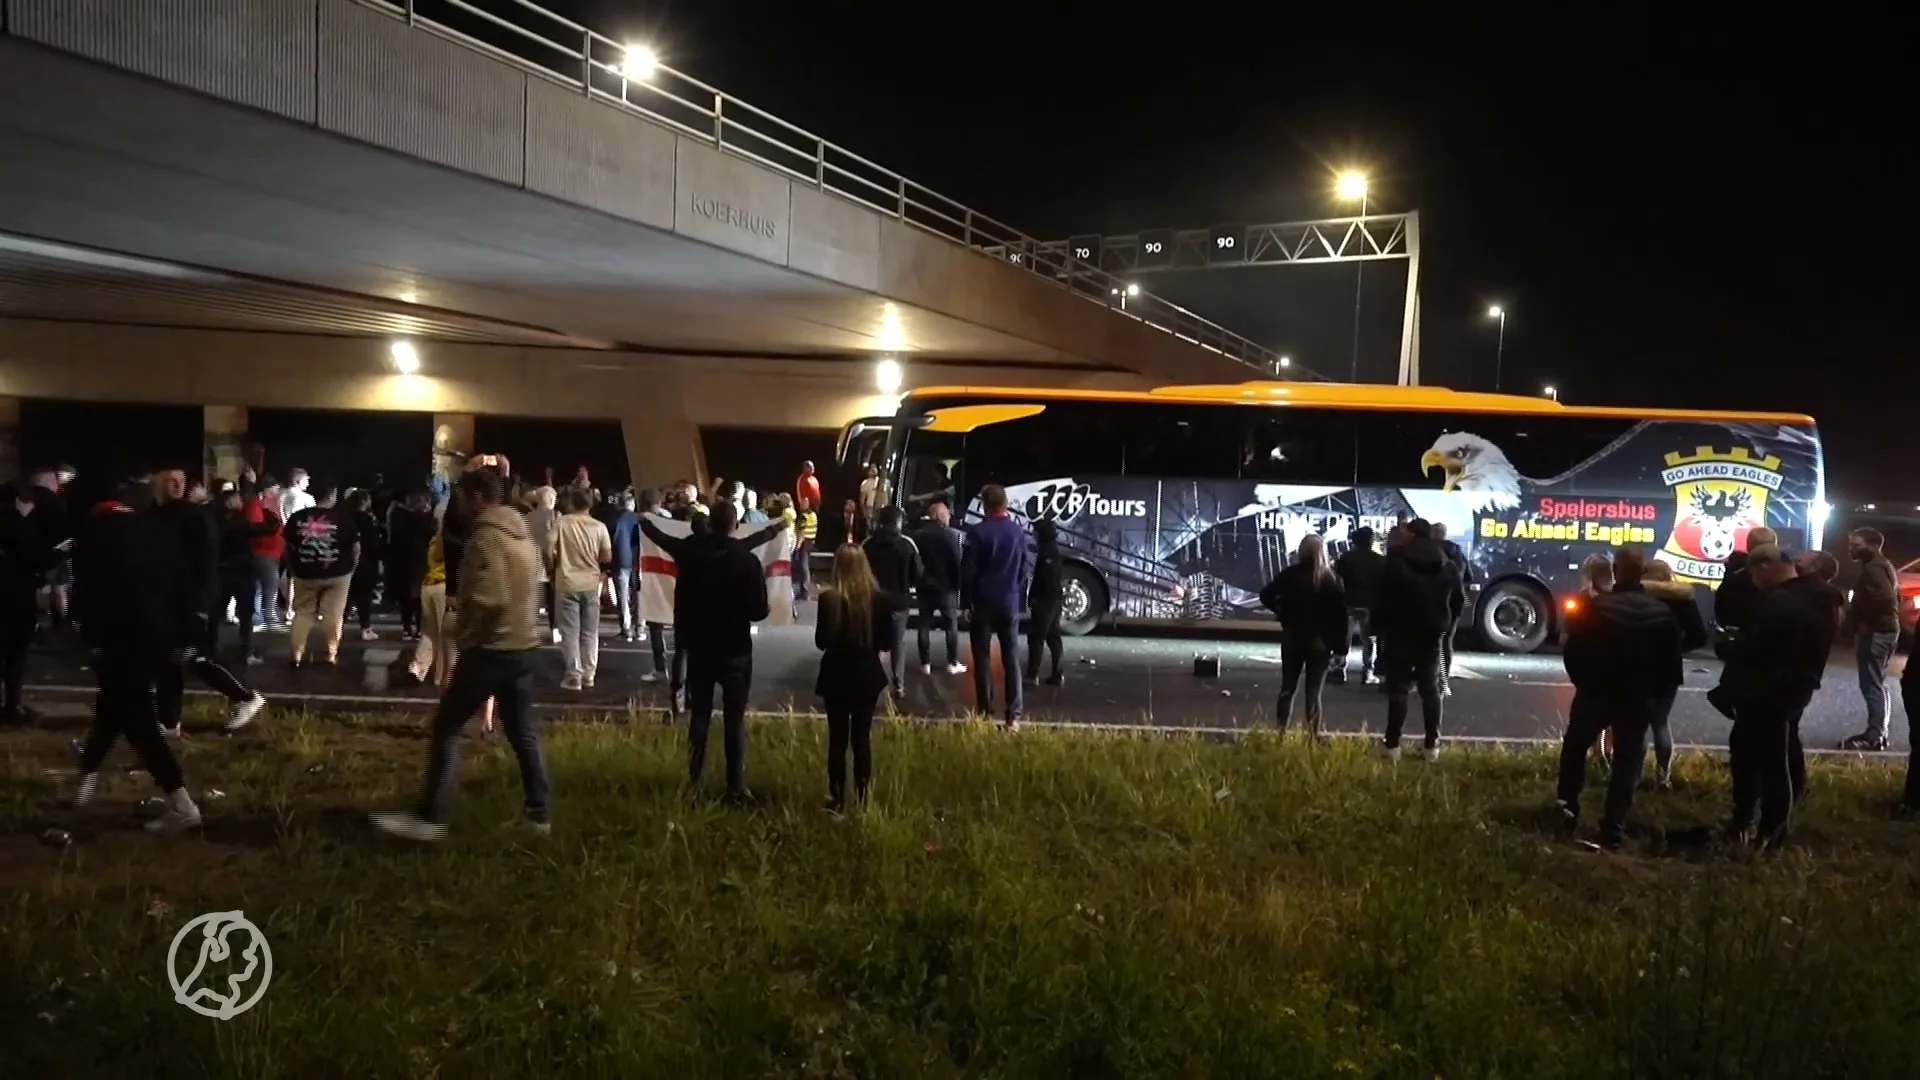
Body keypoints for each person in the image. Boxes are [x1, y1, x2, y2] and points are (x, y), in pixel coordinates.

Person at [373, 468, 548, 842]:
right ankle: (539, 814)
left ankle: (430, 818)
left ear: (477, 497)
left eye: (463, 497)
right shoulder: (522, 532)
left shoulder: (486, 537)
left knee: (447, 726)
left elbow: (491, 596)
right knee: (521, 731)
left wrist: (463, 628)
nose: (459, 505)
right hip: (523, 645)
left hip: (490, 648)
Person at [65, 474, 205, 833]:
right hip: (155, 635)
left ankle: (181, 803)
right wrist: (186, 632)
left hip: (118, 636)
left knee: (137, 719)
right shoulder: (158, 531)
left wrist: (89, 635)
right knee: (112, 708)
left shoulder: (96, 533)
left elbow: (89, 588)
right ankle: (85, 780)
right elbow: (182, 582)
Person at [639, 502, 778, 800]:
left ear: (709, 523)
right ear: (736, 525)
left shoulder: (689, 552)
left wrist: (644, 520)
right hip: (735, 649)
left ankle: (694, 782)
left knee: (699, 714)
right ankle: (736, 786)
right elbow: (758, 611)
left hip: (699, 646)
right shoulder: (746, 561)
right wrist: (776, 529)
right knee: (734, 718)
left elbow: (661, 538)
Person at [1556, 546, 1685, 847]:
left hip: (1597, 692)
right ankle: (1614, 826)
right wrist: (1656, 695)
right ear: (1643, 572)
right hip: (1637, 698)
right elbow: (1671, 662)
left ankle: (1567, 808)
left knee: (1575, 747)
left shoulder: (1597, 608)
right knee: (1629, 759)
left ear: (1614, 570)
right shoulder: (1661, 612)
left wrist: (1584, 682)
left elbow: (1573, 650)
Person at [1715, 543, 1835, 848]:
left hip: (1767, 691)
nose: (1753, 582)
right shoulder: (1819, 598)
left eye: (1754, 575)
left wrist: (1727, 646)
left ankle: (1766, 831)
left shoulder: (1780, 602)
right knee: (1770, 755)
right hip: (1794, 688)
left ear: (1766, 567)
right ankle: (1763, 826)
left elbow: (1757, 648)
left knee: (1766, 761)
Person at [152, 468, 267, 735]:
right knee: (171, 659)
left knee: (193, 655)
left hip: (186, 600)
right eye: (170, 481)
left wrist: (201, 605)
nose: (175, 486)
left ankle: (245, 697)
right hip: (178, 599)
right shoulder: (182, 516)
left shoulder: (185, 517)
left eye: (179, 481)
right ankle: (169, 721)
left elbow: (204, 562)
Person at [814, 544, 900, 811]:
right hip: (867, 674)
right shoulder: (880, 600)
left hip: (836, 674)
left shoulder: (830, 599)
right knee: (862, 738)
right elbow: (887, 642)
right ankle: (863, 798)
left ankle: (837, 798)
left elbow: (821, 642)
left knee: (837, 739)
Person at [1372, 518, 1461, 760]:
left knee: (1398, 689)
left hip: (1400, 632)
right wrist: (1447, 622)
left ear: (1410, 534)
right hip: (1431, 633)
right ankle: (1432, 745)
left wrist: (1379, 626)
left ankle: (1392, 745)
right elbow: (1458, 600)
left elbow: (1383, 599)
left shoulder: (1396, 563)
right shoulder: (1447, 565)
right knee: (1430, 689)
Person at [1259, 533, 1348, 736]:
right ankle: (1312, 737)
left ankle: (1281, 732)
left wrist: (1281, 612)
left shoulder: (1291, 575)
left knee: (1287, 688)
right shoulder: (1332, 580)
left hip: (1294, 637)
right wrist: (1341, 648)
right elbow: (1340, 617)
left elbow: (1266, 595)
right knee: (1313, 693)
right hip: (1320, 643)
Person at [960, 484, 1031, 728]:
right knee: (1011, 657)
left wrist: (966, 602)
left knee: (982, 658)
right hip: (1008, 602)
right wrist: (1014, 588)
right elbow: (1024, 569)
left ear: (984, 504)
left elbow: (968, 572)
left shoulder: (977, 533)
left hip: (982, 602)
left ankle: (985, 711)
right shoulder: (1018, 532)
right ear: (1006, 503)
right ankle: (1014, 715)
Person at [1638, 560, 1710, 786]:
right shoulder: (1682, 599)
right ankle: (1663, 777)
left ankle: (1633, 775)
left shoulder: (1638, 597)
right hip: (1669, 666)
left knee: (1637, 725)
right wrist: (1678, 648)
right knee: (1660, 723)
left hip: (1638, 665)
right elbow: (1699, 634)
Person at [0, 474, 65, 723]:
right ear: (19, 502)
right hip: (18, 596)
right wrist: (57, 555)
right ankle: (12, 705)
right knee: (15, 654)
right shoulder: (23, 527)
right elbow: (37, 561)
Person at [282, 483, 360, 667]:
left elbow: (287, 546)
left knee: (302, 613)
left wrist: (292, 567)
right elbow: (355, 547)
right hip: (338, 573)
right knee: (333, 615)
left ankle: (296, 655)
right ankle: (330, 654)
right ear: (332, 495)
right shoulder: (344, 518)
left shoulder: (297, 517)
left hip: (304, 572)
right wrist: (352, 568)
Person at [1840, 526, 1901, 750]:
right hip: (1884, 629)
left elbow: (1884, 598)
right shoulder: (1882, 566)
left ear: (1873, 546)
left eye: (1856, 545)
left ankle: (1874, 735)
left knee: (1872, 683)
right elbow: (1895, 599)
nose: (1851, 549)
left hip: (1876, 632)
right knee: (1877, 681)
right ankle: (1877, 732)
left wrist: (1864, 621)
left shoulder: (1874, 569)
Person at [547, 485, 613, 691]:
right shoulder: (599, 527)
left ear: (571, 503)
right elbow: (607, 556)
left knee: (570, 631)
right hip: (591, 583)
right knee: (590, 632)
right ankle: (589, 674)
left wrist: (551, 568)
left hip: (566, 582)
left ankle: (573, 675)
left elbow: (547, 547)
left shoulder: (561, 523)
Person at [862, 506, 922, 697]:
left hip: (873, 601)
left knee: (872, 642)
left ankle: (871, 680)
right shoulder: (907, 544)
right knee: (897, 642)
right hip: (899, 601)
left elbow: (860, 572)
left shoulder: (868, 544)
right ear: (898, 522)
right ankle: (898, 684)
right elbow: (918, 573)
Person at [911, 499, 966, 675]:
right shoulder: (949, 536)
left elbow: (914, 561)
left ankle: (925, 663)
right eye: (947, 515)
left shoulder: (917, 535)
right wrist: (959, 587)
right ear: (940, 516)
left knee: (924, 624)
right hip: (945, 587)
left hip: (924, 586)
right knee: (950, 625)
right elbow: (956, 563)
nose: (949, 518)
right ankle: (952, 662)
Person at [1332, 527, 1385, 685]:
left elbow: (1337, 580)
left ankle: (1339, 670)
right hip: (1369, 604)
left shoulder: (1345, 558)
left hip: (1348, 602)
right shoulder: (1380, 560)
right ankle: (1367, 672)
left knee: (1343, 638)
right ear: (1371, 541)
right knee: (1368, 640)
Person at [1431, 522, 1473, 696]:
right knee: (1446, 642)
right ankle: (1444, 682)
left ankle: (1427, 679)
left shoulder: (1427, 552)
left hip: (1432, 603)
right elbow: (1468, 576)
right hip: (1453, 604)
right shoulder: (1456, 552)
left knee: (1430, 642)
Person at [347, 489, 386, 642]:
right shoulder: (368, 520)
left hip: (347, 562)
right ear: (364, 501)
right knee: (364, 597)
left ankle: (337, 626)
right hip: (367, 563)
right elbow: (373, 542)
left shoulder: (345, 517)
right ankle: (365, 628)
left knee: (346, 597)